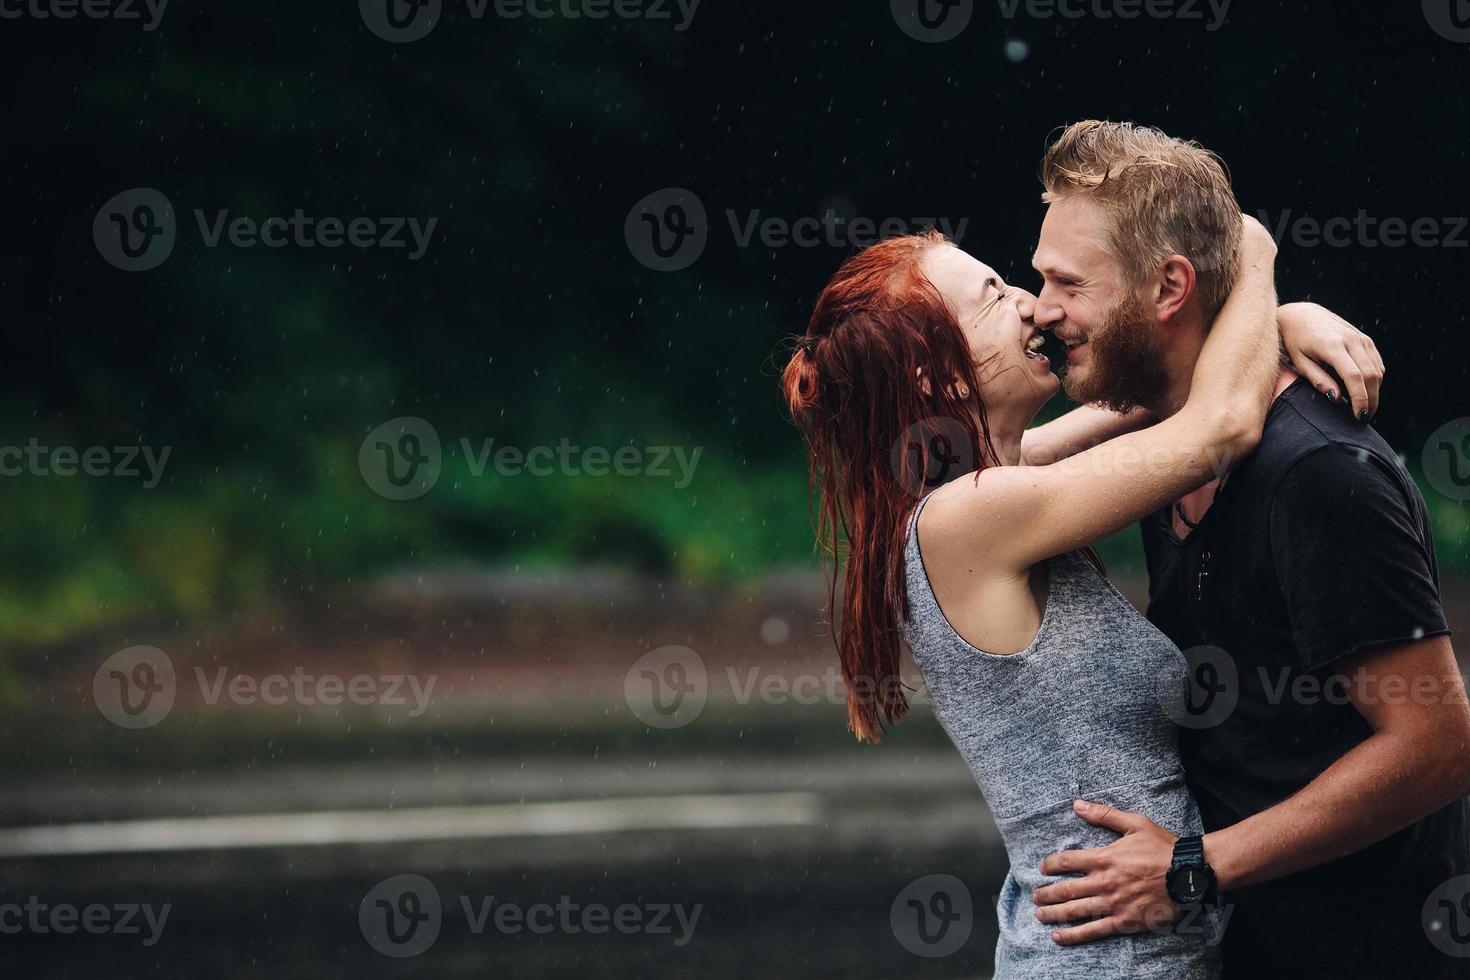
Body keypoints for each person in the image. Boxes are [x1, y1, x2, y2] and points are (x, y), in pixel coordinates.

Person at [781, 201, 1379, 975]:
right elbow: (1218, 428)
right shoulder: (971, 516)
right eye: (995, 296)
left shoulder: (994, 479)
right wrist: (1255, 254)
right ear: (931, 369)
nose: (1031, 305)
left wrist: (1283, 321)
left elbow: (1148, 401)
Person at [1022, 121, 1470, 980]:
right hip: (1248, 945)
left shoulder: (1320, 475)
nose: (1042, 308)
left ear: (1170, 288)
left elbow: (1438, 744)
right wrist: (1276, 303)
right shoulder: (1167, 439)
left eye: (1067, 283)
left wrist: (1197, 864)